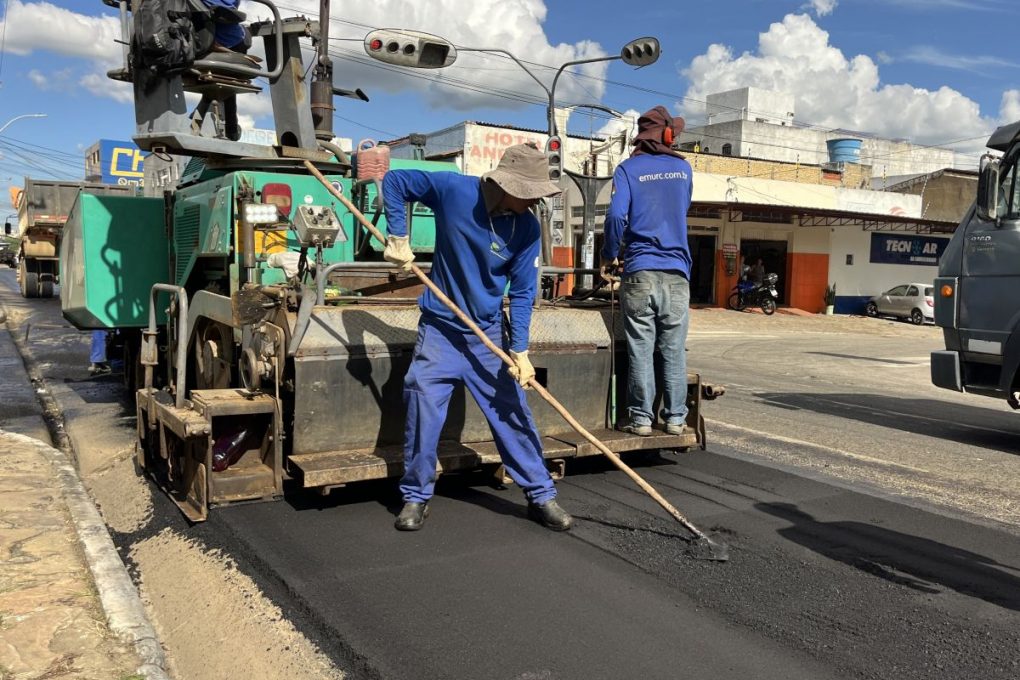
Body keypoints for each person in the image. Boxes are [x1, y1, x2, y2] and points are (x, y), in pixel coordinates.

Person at [381, 143, 573, 532]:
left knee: (511, 412)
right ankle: (416, 496)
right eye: (531, 194)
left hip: (486, 335)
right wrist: (397, 236)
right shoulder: (454, 191)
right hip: (440, 331)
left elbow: (521, 293)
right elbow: (396, 181)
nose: (535, 202)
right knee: (423, 408)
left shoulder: (527, 227)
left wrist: (519, 350)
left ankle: (540, 495)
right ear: (509, 186)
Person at [601, 106, 693, 438]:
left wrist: (609, 254)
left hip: (639, 271)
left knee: (641, 347)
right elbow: (682, 209)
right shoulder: (684, 170)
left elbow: (614, 218)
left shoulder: (628, 169)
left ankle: (640, 419)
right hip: (677, 274)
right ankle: (675, 419)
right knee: (672, 349)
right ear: (669, 135)